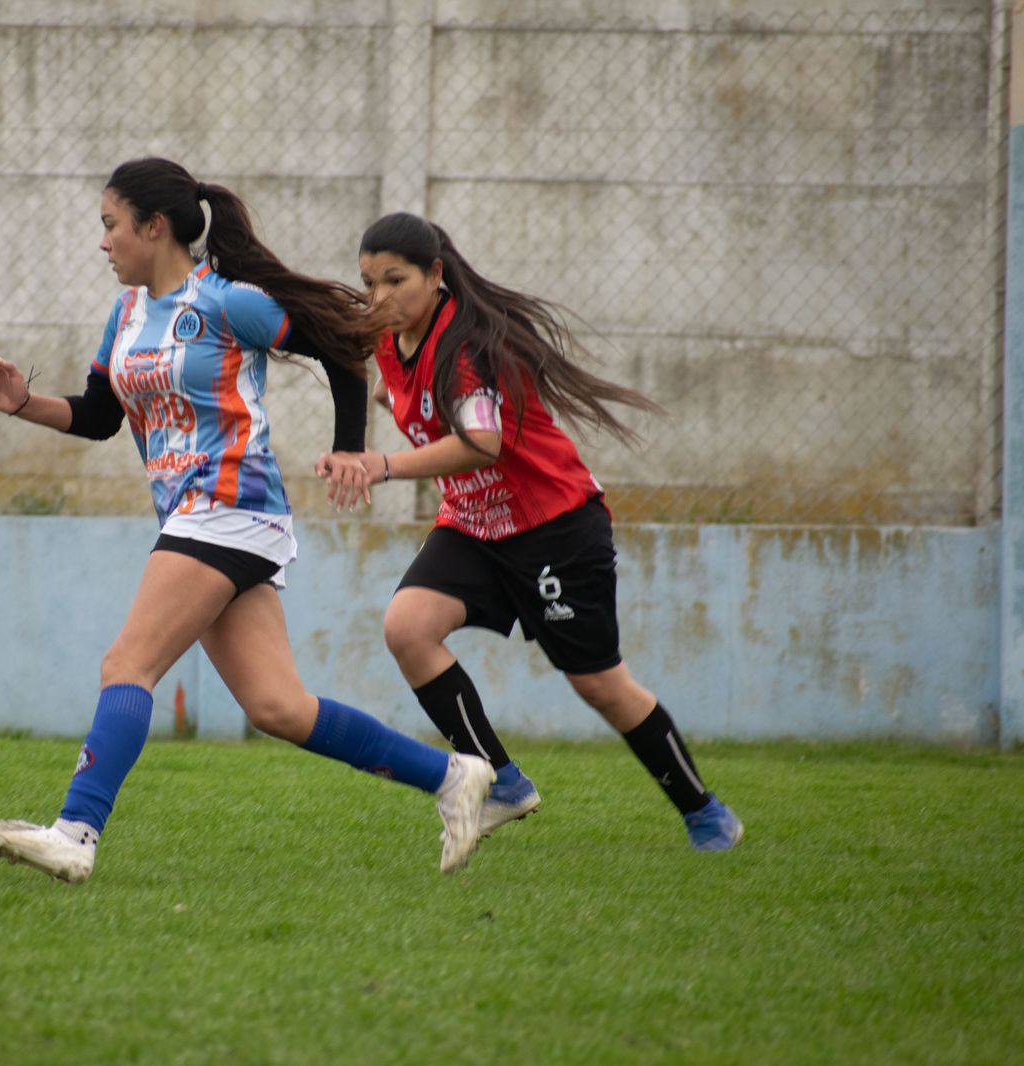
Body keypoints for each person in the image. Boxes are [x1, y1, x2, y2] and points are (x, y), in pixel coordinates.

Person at [0, 160, 495, 884]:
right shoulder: (124, 316)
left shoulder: (225, 302)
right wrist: (26, 403)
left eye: (110, 225)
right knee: (278, 706)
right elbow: (97, 417)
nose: (103, 243)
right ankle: (452, 776)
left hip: (229, 507)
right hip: (199, 518)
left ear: (154, 228)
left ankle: (75, 832)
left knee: (128, 665)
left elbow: (341, 350)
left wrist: (350, 449)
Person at [316, 211, 743, 851]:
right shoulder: (390, 338)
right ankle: (502, 782)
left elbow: (482, 443)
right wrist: (354, 438)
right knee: (407, 627)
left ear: (436, 275)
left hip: (555, 528)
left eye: (394, 280)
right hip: (473, 526)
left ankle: (703, 812)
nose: (378, 298)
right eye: (368, 282)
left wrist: (381, 464)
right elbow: (386, 391)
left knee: (600, 685)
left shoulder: (467, 346)